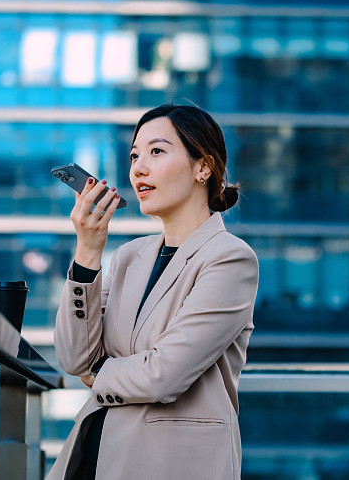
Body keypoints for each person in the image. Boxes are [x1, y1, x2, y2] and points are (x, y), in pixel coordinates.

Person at [47, 103, 259, 480]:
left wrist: (99, 373)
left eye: (156, 151)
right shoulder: (129, 256)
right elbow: (75, 357)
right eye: (134, 155)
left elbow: (165, 374)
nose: (138, 168)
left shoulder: (230, 259)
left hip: (171, 464)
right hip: (96, 456)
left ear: (203, 167)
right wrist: (88, 252)